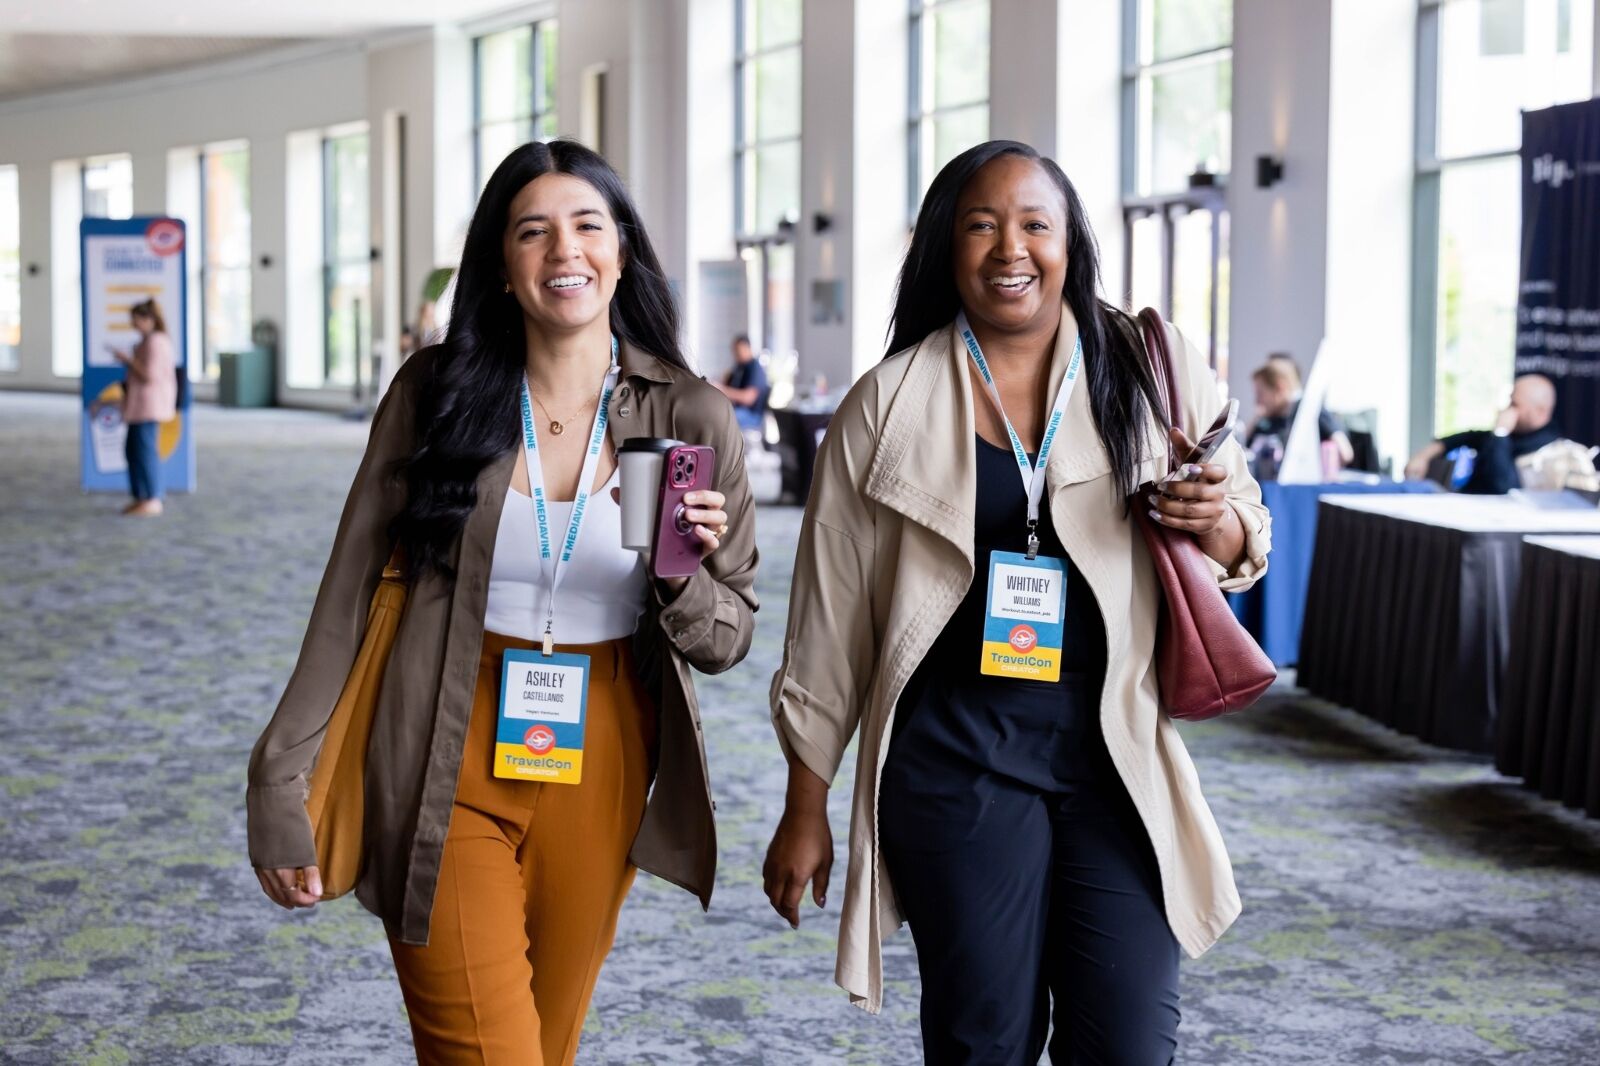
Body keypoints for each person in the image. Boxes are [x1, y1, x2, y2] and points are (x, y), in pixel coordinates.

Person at [246, 140, 759, 1066]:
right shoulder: (434, 395)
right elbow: (346, 596)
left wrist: (681, 568)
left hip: (606, 748)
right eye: (534, 232)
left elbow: (729, 638)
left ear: (623, 251)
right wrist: (277, 780)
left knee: (543, 1046)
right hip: (443, 733)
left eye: (588, 226)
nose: (565, 250)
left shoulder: (688, 414)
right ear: (504, 266)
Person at [761, 140, 1270, 1064]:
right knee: (983, 1038)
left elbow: (1243, 530)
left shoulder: (1147, 369)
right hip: (957, 758)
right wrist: (806, 807)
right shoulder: (887, 406)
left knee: (1127, 1041)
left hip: (1116, 750)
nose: (1012, 249)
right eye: (982, 225)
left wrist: (1220, 524)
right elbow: (828, 623)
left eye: (1037, 225)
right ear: (944, 248)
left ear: (1071, 244)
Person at [1404, 374, 1560, 494]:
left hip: (1493, 519)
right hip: (1464, 504)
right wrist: (1422, 456)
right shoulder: (1507, 436)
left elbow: (1504, 488)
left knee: (1421, 490)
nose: (1508, 410)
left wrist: (1501, 434)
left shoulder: (1551, 453)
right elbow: (1460, 439)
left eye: (1515, 405)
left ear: (1540, 412)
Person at [107, 298, 178, 516]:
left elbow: (150, 375)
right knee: (134, 451)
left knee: (145, 452)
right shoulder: (148, 341)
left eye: (137, 319)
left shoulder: (156, 342)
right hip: (139, 405)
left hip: (149, 405)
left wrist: (128, 360)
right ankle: (141, 496)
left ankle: (152, 497)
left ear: (149, 319)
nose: (134, 324)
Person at [1245, 358, 1353, 469]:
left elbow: (1345, 452)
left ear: (1280, 387)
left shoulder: (1311, 411)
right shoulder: (1269, 418)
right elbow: (1244, 450)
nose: (1257, 401)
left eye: (1260, 394)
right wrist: (1256, 418)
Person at [712, 333, 768, 433]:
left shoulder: (755, 368)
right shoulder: (739, 367)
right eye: (734, 351)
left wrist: (722, 389)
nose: (735, 354)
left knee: (723, 417)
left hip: (751, 415)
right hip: (736, 409)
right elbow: (726, 384)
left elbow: (748, 398)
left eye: (738, 351)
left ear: (747, 348)